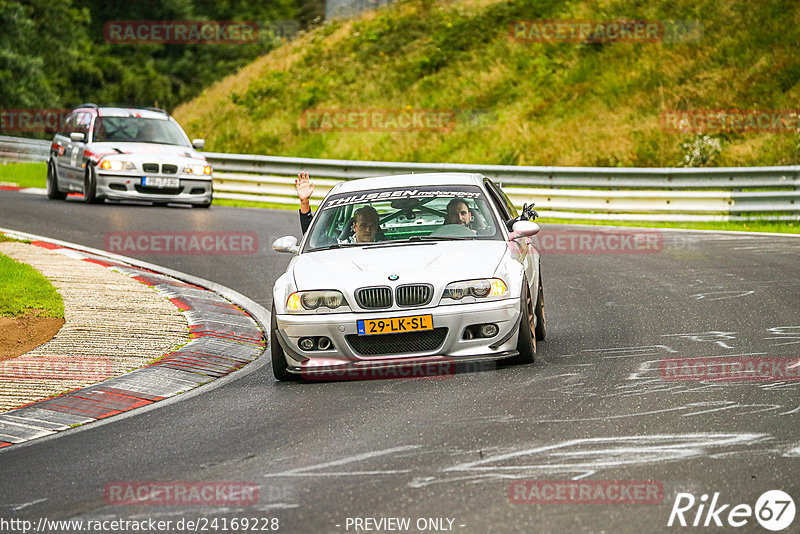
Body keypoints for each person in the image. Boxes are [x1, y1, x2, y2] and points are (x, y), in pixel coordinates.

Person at [295, 172, 380, 243]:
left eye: (372, 226)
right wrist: (304, 202)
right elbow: (314, 238)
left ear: (377, 228)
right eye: (363, 225)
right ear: (354, 227)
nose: (368, 230)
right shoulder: (341, 246)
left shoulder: (389, 247)